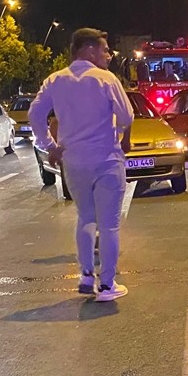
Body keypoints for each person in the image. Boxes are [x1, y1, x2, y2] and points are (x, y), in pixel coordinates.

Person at [29, 28, 134, 302]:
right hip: (106, 159)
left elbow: (35, 114)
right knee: (109, 225)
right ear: (89, 50)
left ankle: (86, 274)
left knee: (86, 217)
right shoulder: (106, 79)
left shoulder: (55, 80)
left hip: (74, 161)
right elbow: (126, 116)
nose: (108, 55)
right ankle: (107, 285)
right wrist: (122, 134)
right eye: (105, 50)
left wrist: (50, 145)